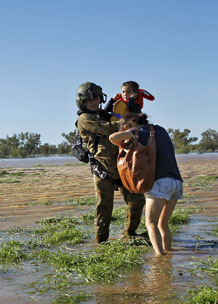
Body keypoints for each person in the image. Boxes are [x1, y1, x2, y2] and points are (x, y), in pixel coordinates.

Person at [75, 82, 146, 243]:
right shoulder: (84, 119)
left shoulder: (106, 113)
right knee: (104, 208)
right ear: (82, 102)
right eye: (90, 100)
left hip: (122, 167)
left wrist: (132, 110)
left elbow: (122, 117)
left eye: (97, 99)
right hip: (103, 169)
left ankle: (130, 233)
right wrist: (130, 124)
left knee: (138, 200)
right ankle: (101, 241)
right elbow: (107, 128)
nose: (94, 102)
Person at [109, 113, 183, 255]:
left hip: (160, 183)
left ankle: (160, 258)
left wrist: (123, 143)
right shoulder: (160, 129)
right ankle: (169, 253)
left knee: (151, 223)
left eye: (123, 127)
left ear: (130, 123)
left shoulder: (137, 132)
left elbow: (112, 138)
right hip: (176, 183)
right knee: (163, 223)